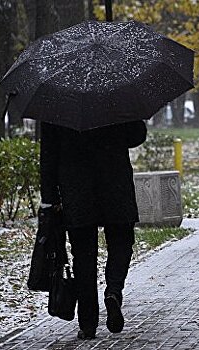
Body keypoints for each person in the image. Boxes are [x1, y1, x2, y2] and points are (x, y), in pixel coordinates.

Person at [40, 120, 147, 339]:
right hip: (114, 182)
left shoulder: (57, 100)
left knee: (83, 257)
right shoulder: (116, 93)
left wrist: (49, 198)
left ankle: (88, 324)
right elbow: (136, 136)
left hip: (76, 189)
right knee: (121, 242)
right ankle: (114, 291)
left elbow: (49, 154)